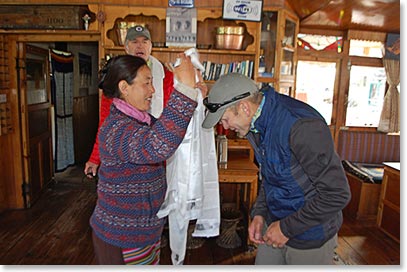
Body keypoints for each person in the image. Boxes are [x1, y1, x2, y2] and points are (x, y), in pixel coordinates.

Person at [202, 73, 351, 265]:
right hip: (276, 223)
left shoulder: (301, 126)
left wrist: (286, 228)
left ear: (244, 107)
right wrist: (260, 213)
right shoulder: (256, 125)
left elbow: (337, 194)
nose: (225, 127)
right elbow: (272, 175)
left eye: (225, 119)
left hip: (311, 234)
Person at [89, 53, 202, 265]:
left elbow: (168, 130)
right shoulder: (116, 129)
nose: (153, 90)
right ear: (124, 87)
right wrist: (185, 90)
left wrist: (195, 94)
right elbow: (157, 145)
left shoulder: (141, 120)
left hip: (142, 232)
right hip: (123, 236)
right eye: (147, 83)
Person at [84, 25, 206, 177]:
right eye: (134, 41)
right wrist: (95, 158)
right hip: (141, 164)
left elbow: (173, 118)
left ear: (151, 47)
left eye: (144, 41)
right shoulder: (115, 83)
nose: (140, 45)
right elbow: (104, 125)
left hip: (161, 159)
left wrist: (196, 96)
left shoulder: (166, 76)